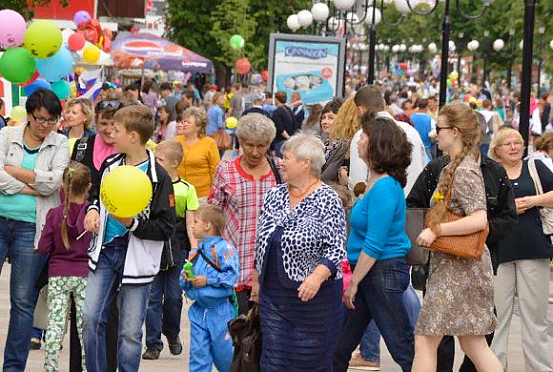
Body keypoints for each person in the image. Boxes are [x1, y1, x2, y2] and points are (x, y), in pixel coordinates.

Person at [406, 128, 518, 372]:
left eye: (440, 128)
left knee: (427, 340)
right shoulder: (457, 167)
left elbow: (480, 219)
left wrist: (436, 231)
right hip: (458, 267)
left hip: (458, 270)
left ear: (455, 132)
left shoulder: (464, 170)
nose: (435, 134)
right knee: (473, 344)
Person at [82, 105, 175, 372]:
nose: (111, 132)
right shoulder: (111, 164)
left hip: (137, 257)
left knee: (131, 333)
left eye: (117, 129)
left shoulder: (158, 177)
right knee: (90, 319)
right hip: (106, 252)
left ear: (133, 136)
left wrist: (133, 223)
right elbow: (97, 197)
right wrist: (92, 211)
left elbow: (165, 227)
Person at [252, 133, 346, 371]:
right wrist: (256, 279)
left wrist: (316, 277)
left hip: (314, 298)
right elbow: (261, 239)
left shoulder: (328, 198)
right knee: (273, 360)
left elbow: (336, 248)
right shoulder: (275, 194)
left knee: (309, 360)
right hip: (274, 295)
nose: (280, 161)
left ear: (305, 163)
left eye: (287, 157)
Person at [333, 114, 415, 372]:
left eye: (364, 136)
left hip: (381, 271)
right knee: (338, 345)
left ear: (375, 144)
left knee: (401, 344)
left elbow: (375, 242)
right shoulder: (376, 183)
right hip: (371, 271)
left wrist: (354, 282)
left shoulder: (384, 188)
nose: (359, 140)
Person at [0, 89, 69, 371]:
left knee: (23, 300)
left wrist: (14, 172)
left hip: (33, 228)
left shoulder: (60, 142)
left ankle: (13, 367)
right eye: (40, 119)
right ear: (29, 115)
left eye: (51, 120)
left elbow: (54, 183)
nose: (45, 125)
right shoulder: (7, 136)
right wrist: (31, 187)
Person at [488, 128, 553, 371]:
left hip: (533, 249)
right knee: (497, 318)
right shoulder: (490, 173)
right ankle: (494, 367)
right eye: (508, 143)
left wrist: (534, 200)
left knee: (536, 319)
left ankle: (540, 368)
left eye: (518, 143)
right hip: (500, 251)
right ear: (497, 149)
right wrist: (508, 208)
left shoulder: (535, 168)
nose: (514, 147)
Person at [69, 95, 126, 372]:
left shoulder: (130, 152)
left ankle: (107, 366)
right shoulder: (83, 145)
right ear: (96, 121)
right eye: (104, 123)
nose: (108, 129)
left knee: (109, 307)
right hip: (81, 233)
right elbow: (70, 179)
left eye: (114, 123)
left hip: (113, 238)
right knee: (81, 306)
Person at [209, 113, 280, 315]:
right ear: (240, 142)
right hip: (234, 265)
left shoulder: (281, 170)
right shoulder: (226, 170)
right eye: (250, 145)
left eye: (262, 145)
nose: (255, 152)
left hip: (270, 268)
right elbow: (214, 213)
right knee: (236, 330)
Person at [142, 140, 198, 360]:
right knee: (152, 299)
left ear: (175, 163)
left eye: (160, 160)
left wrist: (194, 251)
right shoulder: (149, 185)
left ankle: (172, 334)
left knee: (174, 298)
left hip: (177, 250)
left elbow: (190, 223)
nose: (155, 163)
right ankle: (153, 344)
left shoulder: (186, 189)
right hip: (154, 249)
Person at [37, 162, 92, 372]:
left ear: (63, 185)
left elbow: (44, 247)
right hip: (85, 273)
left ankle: (50, 367)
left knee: (55, 325)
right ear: (88, 186)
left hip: (58, 272)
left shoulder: (54, 213)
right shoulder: (92, 213)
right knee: (83, 327)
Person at [179, 204, 239, 372]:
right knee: (198, 355)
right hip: (198, 311)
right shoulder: (195, 252)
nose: (192, 225)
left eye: (196, 222)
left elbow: (232, 277)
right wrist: (186, 278)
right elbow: (182, 280)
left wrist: (208, 280)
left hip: (220, 313)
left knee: (225, 357)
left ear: (207, 226)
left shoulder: (225, 250)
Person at [349, 85, 427, 195]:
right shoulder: (411, 131)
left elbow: (358, 184)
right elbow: (423, 168)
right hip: (413, 205)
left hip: (379, 204)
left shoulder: (363, 136)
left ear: (360, 110)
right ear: (384, 104)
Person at [174, 107, 220, 200]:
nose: (184, 124)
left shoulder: (209, 143)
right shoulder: (176, 141)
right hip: (178, 194)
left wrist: (213, 194)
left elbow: (215, 171)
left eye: (188, 122)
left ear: (198, 126)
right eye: (184, 121)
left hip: (201, 196)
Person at [270, 91, 295, 158]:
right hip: (290, 142)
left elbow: (280, 128)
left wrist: (288, 138)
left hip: (280, 142)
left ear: (276, 100)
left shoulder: (276, 112)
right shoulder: (289, 110)